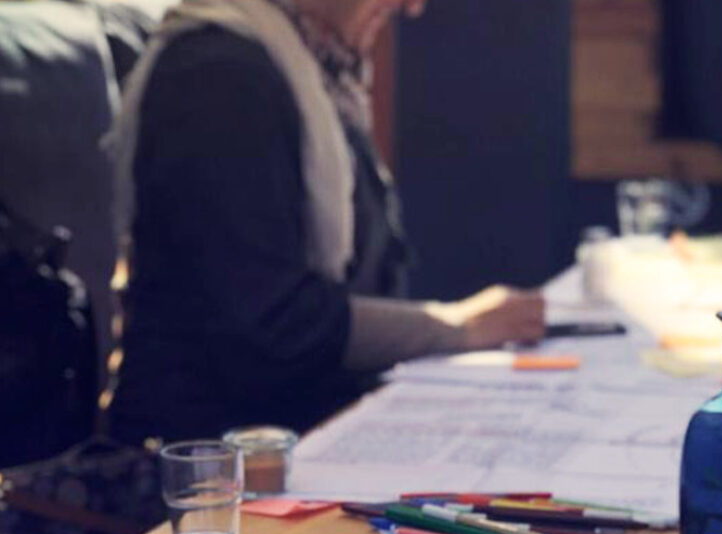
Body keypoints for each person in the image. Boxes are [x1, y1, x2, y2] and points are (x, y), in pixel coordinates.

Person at [107, 0, 546, 443]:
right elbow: (271, 324)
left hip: (301, 435)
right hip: (212, 468)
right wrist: (454, 328)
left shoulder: (310, 71)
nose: (413, 7)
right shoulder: (216, 77)